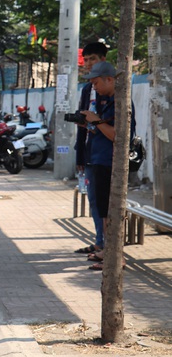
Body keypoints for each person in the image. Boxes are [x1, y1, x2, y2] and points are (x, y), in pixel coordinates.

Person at [80, 61, 134, 270]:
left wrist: (96, 121)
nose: (94, 88)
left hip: (109, 163)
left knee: (110, 211)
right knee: (103, 210)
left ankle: (115, 256)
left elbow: (117, 135)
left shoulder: (120, 103)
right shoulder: (107, 101)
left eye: (96, 83)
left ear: (109, 79)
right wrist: (90, 124)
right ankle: (108, 251)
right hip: (99, 160)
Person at [73, 41, 107, 255]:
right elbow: (83, 126)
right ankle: (99, 242)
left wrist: (96, 121)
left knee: (106, 204)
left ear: (103, 59)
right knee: (94, 200)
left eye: (92, 59)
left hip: (107, 156)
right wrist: (79, 156)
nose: (88, 64)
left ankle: (109, 247)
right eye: (86, 60)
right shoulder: (87, 89)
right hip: (90, 154)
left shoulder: (114, 88)